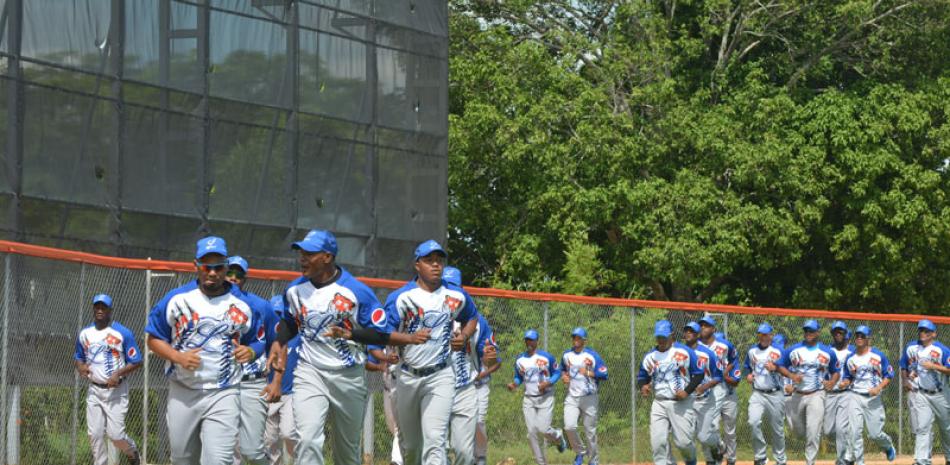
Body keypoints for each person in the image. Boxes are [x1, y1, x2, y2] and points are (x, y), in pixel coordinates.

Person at [267, 229, 416, 465]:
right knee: (307, 440)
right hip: (310, 372)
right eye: (301, 253)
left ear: (327, 257)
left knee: (346, 453)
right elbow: (290, 322)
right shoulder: (295, 290)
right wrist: (279, 340)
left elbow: (381, 334)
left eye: (309, 254)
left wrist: (351, 334)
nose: (302, 258)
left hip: (348, 375)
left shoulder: (356, 291)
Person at [145, 236, 264, 465]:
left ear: (226, 267)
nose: (212, 272)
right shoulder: (177, 299)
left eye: (218, 267)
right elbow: (153, 339)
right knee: (182, 459)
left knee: (218, 461)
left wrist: (250, 352)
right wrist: (177, 357)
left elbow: (258, 341)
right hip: (183, 390)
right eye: (206, 266)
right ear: (196, 266)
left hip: (224, 392)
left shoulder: (244, 304)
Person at [374, 239, 480, 465]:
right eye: (429, 260)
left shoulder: (455, 294)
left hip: (441, 375)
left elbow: (472, 317)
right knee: (411, 447)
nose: (435, 265)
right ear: (417, 265)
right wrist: (409, 339)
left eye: (439, 260)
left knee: (435, 440)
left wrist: (464, 336)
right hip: (408, 376)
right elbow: (383, 333)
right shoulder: (401, 297)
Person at [442, 266, 501, 465]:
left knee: (475, 428)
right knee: (439, 434)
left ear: (461, 289)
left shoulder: (478, 321)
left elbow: (491, 358)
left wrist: (490, 357)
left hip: (471, 384)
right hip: (440, 383)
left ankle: (480, 457)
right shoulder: (433, 315)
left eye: (454, 287)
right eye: (446, 286)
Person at [74, 293, 142, 465]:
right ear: (93, 309)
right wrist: (80, 366)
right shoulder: (85, 333)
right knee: (94, 435)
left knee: (116, 436)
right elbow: (79, 356)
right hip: (94, 390)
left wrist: (118, 373)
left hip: (116, 391)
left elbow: (136, 361)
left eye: (103, 307)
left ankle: (132, 451)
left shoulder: (122, 333)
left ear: (110, 310)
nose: (100, 310)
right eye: (97, 307)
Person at [227, 256, 279, 465]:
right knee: (224, 449)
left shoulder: (261, 306)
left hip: (252, 381)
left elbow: (277, 342)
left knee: (252, 451)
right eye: (229, 271)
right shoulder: (207, 303)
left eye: (238, 274)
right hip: (221, 383)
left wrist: (275, 380)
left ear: (245, 278)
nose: (233, 277)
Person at [637, 320, 702, 465]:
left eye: (664, 337)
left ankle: (691, 460)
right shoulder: (650, 356)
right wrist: (643, 386)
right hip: (659, 403)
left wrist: (686, 392)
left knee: (683, 443)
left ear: (672, 335)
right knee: (658, 443)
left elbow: (699, 374)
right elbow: (642, 376)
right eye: (658, 337)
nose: (661, 340)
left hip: (681, 403)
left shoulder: (685, 352)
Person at [777, 319, 840, 465]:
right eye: (806, 330)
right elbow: (780, 365)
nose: (808, 333)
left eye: (811, 331)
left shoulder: (827, 352)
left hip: (817, 394)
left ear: (818, 332)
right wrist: (792, 376)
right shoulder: (793, 350)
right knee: (796, 431)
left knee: (813, 432)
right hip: (797, 394)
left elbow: (835, 371)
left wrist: (832, 382)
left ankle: (810, 462)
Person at [506, 329, 567, 465]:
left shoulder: (546, 357)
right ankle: (541, 463)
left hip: (546, 397)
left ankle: (558, 436)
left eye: (532, 340)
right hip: (529, 399)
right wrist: (514, 384)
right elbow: (519, 377)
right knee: (531, 432)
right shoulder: (520, 359)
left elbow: (557, 373)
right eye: (527, 340)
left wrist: (548, 383)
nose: (529, 342)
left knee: (543, 429)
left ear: (537, 341)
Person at [839, 325, 896, 463]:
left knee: (875, 434)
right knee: (854, 432)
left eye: (862, 336)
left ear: (868, 339)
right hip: (855, 395)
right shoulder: (850, 358)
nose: (859, 338)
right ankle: (859, 461)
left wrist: (878, 387)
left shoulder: (878, 355)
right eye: (857, 335)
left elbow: (889, 375)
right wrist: (845, 383)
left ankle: (887, 446)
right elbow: (848, 376)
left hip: (873, 398)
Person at [900, 319, 950, 465]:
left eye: (926, 331)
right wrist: (905, 380)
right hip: (921, 393)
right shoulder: (912, 347)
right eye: (921, 330)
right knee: (922, 428)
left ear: (934, 334)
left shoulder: (942, 350)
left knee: (946, 428)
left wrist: (934, 366)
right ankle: (922, 460)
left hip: (941, 394)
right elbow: (904, 365)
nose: (923, 333)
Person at [561, 327, 608, 465]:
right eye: (574, 337)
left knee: (590, 431)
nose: (576, 340)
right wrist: (564, 376)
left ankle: (593, 460)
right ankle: (580, 452)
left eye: (579, 338)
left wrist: (588, 373)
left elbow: (604, 374)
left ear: (584, 340)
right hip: (572, 396)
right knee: (569, 427)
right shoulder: (567, 354)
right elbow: (562, 369)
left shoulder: (592, 355)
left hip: (589, 397)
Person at [263, 296, 300, 465]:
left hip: (292, 393)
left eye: (282, 315)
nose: (279, 319)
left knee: (289, 433)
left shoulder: (297, 336)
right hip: (269, 391)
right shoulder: (267, 338)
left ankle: (297, 461)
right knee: (268, 440)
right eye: (275, 314)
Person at [743, 323, 787, 465]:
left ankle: (780, 460)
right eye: (761, 334)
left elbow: (788, 369)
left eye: (766, 334)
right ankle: (760, 457)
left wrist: (776, 368)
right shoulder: (752, 351)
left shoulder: (778, 350)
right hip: (758, 393)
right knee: (753, 422)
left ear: (771, 335)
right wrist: (748, 375)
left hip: (775, 393)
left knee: (777, 429)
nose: (763, 337)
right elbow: (746, 367)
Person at [682, 322, 723, 465]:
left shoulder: (708, 353)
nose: (688, 333)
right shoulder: (678, 352)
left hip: (705, 400)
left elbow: (718, 376)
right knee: (686, 437)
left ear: (698, 334)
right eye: (686, 330)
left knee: (704, 437)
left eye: (692, 331)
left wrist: (705, 387)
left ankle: (718, 444)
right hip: (686, 401)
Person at [697, 318, 737, 465]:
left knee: (721, 427)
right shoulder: (696, 345)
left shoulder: (724, 345)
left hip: (720, 387)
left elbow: (734, 359)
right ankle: (713, 456)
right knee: (706, 427)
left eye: (706, 325)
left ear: (713, 328)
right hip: (702, 389)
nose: (703, 327)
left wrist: (727, 371)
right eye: (701, 325)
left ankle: (729, 458)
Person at [825, 321, 855, 465]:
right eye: (835, 332)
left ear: (845, 334)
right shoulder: (826, 351)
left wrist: (850, 380)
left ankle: (843, 459)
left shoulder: (853, 351)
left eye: (841, 332)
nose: (838, 334)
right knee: (827, 430)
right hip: (830, 393)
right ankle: (849, 453)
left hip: (846, 393)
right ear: (832, 334)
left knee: (841, 428)